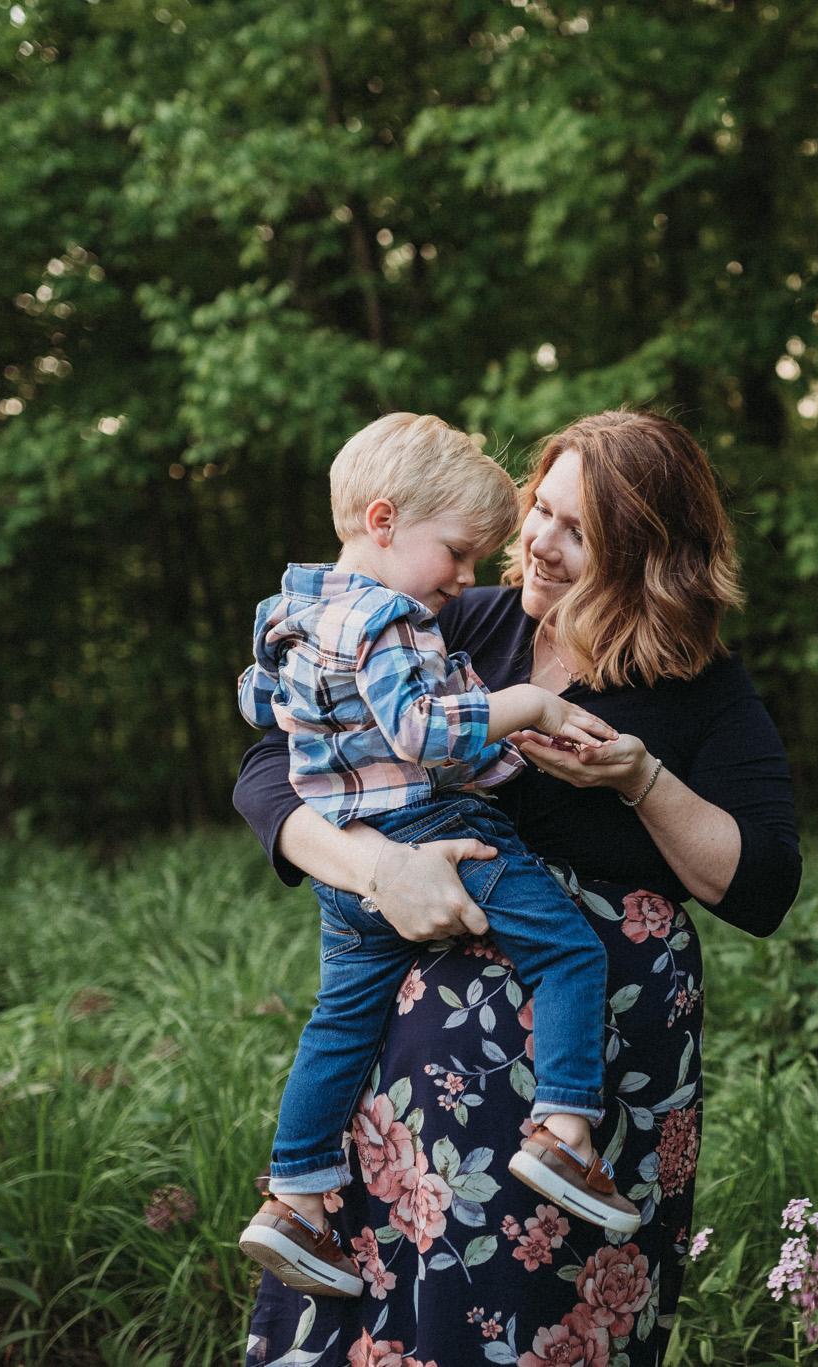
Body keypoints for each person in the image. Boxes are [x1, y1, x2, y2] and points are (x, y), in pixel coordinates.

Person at [236, 410, 800, 1367]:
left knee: (532, 1324)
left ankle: (564, 1145)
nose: (535, 540)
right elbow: (269, 766)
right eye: (540, 508)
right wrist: (381, 868)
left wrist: (642, 781)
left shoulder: (698, 691)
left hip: (593, 1071)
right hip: (413, 1077)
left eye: (577, 530)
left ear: (648, 560)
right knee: (386, 1311)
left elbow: (763, 884)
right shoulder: (451, 617)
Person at [233, 413, 644, 1302]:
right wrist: (526, 703)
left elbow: (260, 706)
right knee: (572, 952)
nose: (467, 577)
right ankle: (566, 1135)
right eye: (457, 553)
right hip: (432, 832)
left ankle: (295, 1196)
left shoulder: (291, 607)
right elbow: (422, 729)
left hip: (348, 870)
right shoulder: (391, 620)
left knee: (338, 1023)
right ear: (382, 521)